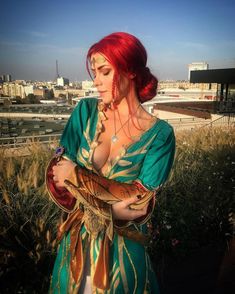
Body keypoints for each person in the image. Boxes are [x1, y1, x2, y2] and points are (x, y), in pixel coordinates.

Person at [46, 32, 175, 293]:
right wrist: (111, 207)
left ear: (130, 71)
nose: (96, 82)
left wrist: (78, 176)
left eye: (104, 72)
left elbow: (140, 202)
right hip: (75, 249)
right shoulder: (84, 112)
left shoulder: (161, 135)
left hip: (124, 257)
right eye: (95, 72)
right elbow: (57, 174)